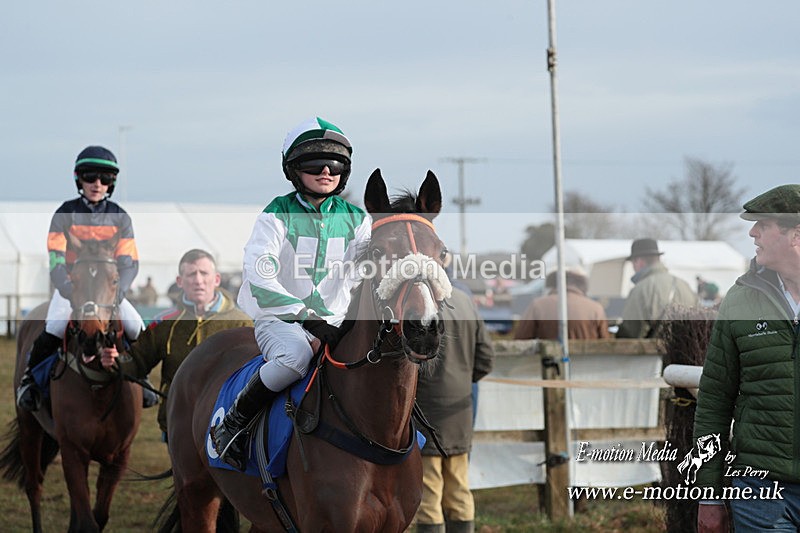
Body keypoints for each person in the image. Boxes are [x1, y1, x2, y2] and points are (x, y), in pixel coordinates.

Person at [211, 117, 372, 470]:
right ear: (293, 169)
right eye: (315, 164)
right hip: (281, 322)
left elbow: (367, 274)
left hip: (335, 323)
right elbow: (260, 276)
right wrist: (308, 319)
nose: (327, 171)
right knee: (296, 357)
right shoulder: (275, 215)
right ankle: (233, 423)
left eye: (336, 164)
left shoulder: (359, 220)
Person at [693, 184, 800, 532]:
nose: (752, 232)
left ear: (795, 234)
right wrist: (708, 495)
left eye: (763, 225)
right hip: (761, 495)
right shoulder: (739, 300)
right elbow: (713, 402)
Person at [16, 145, 145, 412]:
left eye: (105, 179)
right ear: (79, 179)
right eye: (90, 177)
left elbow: (129, 262)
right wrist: (69, 291)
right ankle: (31, 379)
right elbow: (56, 260)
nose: (97, 184)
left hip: (107, 292)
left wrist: (118, 293)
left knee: (135, 326)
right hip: (73, 290)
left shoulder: (121, 217)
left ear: (111, 183)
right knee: (54, 325)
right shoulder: (65, 214)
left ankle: (140, 377)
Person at [102, 249, 252, 439]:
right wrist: (115, 362)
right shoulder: (164, 323)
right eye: (191, 274)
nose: (198, 280)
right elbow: (137, 362)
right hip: (179, 424)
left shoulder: (243, 323)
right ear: (180, 281)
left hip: (228, 426)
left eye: (204, 273)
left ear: (216, 279)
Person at [415, 284, 495, 533]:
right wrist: (462, 381)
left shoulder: (416, 301)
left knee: (428, 491)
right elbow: (486, 358)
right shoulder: (465, 301)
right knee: (459, 488)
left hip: (425, 408)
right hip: (460, 410)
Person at [615, 238, 697, 338]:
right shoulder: (685, 286)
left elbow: (629, 332)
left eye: (633, 263)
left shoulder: (641, 289)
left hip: (654, 352)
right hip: (686, 351)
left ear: (639, 261)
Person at [513, 268, 610, 340]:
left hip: (550, 364)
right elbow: (605, 342)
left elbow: (521, 339)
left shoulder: (538, 305)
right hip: (587, 365)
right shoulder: (596, 308)